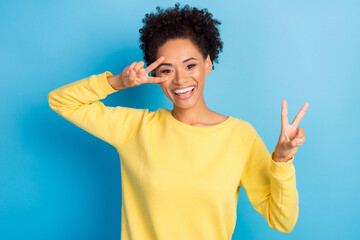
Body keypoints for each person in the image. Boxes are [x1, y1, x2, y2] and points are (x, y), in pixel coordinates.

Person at [48, 3, 309, 239]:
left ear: (208, 64)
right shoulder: (135, 129)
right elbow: (60, 101)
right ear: (156, 74)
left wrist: (282, 161)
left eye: (190, 65)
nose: (181, 81)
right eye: (167, 70)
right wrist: (118, 82)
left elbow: (282, 221)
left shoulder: (240, 136)